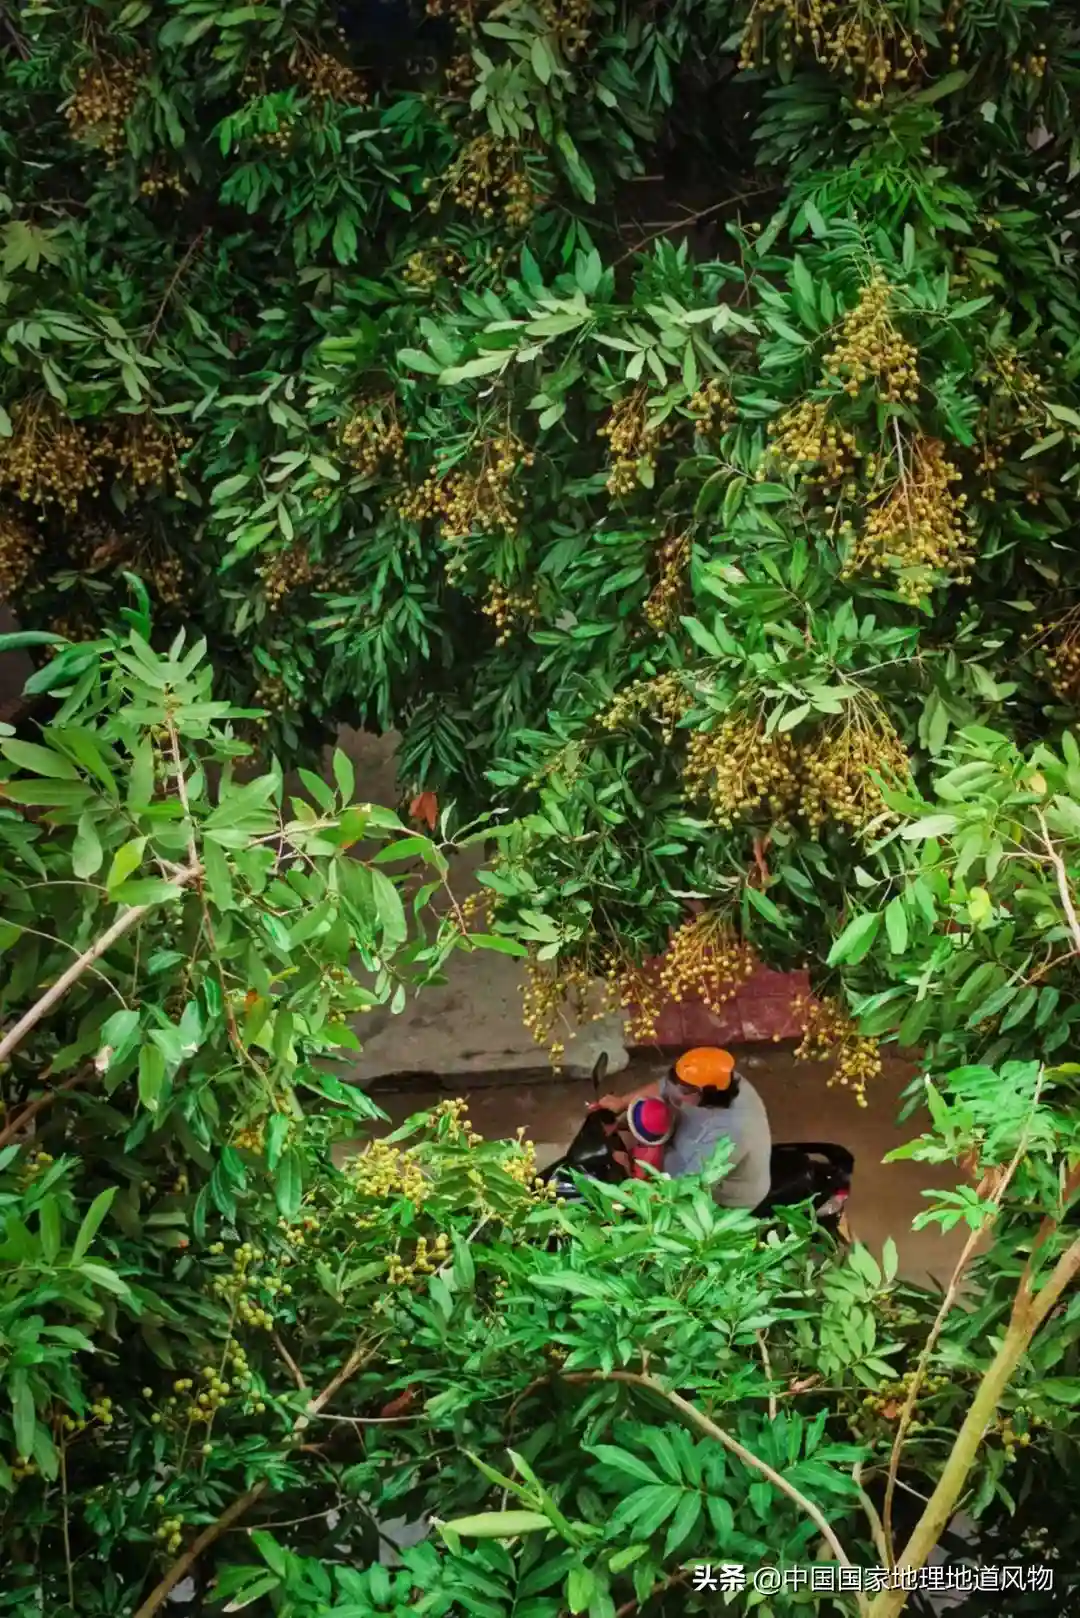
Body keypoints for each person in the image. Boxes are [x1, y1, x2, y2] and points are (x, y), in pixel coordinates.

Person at [591, 1046, 772, 1211]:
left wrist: (627, 1174)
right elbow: (663, 1086)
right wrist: (621, 1103)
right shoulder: (718, 1078)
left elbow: (684, 1187)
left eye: (683, 1091)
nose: (673, 1092)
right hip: (685, 1153)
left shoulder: (727, 1134)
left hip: (721, 1197)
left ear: (703, 1093)